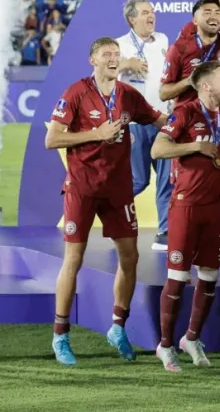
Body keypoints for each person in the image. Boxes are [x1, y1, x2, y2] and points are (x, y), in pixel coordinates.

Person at [46, 37, 167, 366]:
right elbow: (52, 138)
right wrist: (95, 134)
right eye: (106, 55)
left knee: (130, 257)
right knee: (74, 258)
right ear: (92, 60)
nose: (114, 59)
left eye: (116, 54)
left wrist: (191, 126)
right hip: (82, 188)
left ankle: (117, 327)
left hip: (117, 190)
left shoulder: (128, 95)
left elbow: (158, 119)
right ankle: (60, 336)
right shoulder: (76, 93)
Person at [150, 61, 220, 372]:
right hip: (186, 207)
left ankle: (192, 338)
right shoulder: (185, 112)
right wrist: (195, 145)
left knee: (210, 277)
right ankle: (166, 345)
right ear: (206, 86)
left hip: (216, 208)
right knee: (178, 277)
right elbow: (158, 149)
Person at [117, 0, 173, 251]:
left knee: (166, 178)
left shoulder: (162, 40)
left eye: (152, 11)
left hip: (162, 119)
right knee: (139, 180)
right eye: (145, 13)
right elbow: (100, 69)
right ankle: (112, 213)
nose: (151, 16)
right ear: (131, 19)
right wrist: (123, 63)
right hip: (135, 123)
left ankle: (165, 231)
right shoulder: (119, 45)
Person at [160, 0, 220, 105]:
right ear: (195, 20)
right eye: (207, 13)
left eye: (217, 13)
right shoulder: (179, 48)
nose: (213, 16)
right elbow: (163, 93)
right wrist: (189, 81)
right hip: (188, 117)